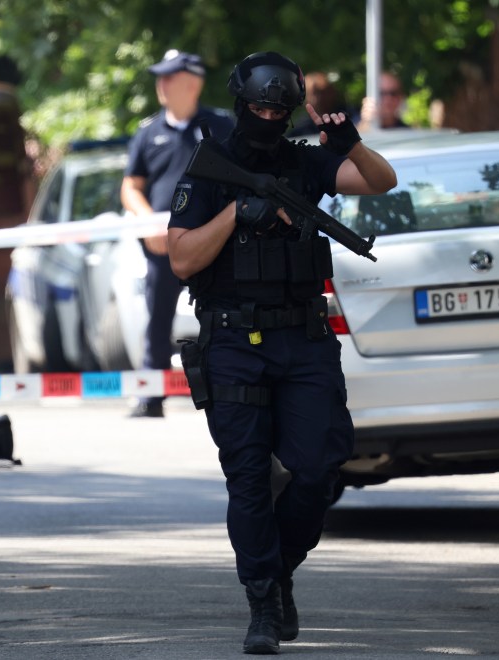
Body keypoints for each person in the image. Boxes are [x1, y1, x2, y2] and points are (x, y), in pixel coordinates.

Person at [166, 51, 396, 654]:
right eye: (259, 106)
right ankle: (263, 600)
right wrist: (238, 211)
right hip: (234, 341)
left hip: (303, 338)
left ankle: (279, 568)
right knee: (247, 480)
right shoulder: (210, 170)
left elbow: (380, 181)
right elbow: (183, 258)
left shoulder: (304, 163)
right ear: (241, 105)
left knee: (320, 468)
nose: (268, 115)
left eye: (278, 107)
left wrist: (349, 142)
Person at [121, 49, 234, 418]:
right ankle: (150, 395)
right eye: (160, 77)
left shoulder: (221, 126)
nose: (161, 84)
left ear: (193, 83)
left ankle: (231, 389)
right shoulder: (148, 131)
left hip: (212, 242)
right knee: (157, 318)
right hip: (162, 245)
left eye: (169, 77)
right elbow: (130, 186)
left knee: (221, 314)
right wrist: (147, 220)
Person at [287, 71, 351, 137]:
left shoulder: (348, 116)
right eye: (315, 93)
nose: (321, 98)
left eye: (324, 92)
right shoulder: (300, 130)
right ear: (304, 98)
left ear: (333, 92)